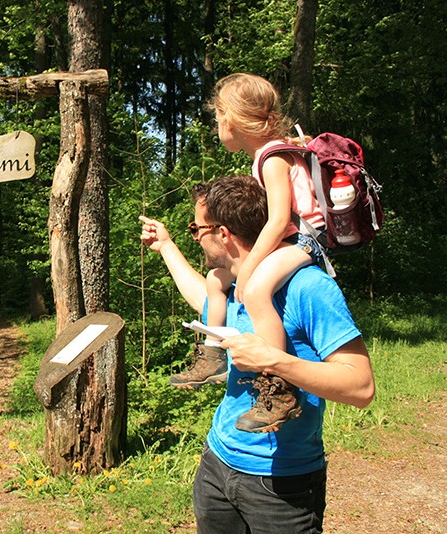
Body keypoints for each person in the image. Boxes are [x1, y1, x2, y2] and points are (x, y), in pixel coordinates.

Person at [139, 175, 374, 533]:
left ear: (223, 234)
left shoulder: (307, 288)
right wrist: (168, 246)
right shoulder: (233, 285)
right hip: (217, 464)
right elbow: (202, 298)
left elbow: (361, 387)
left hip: (281, 485)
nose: (195, 237)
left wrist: (274, 360)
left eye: (196, 229)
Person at [170, 73, 327, 434]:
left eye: (217, 118)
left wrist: (252, 264)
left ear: (231, 118)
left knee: (254, 291)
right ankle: (212, 353)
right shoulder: (269, 154)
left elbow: (278, 221)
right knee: (215, 278)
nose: (216, 127)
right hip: (290, 239)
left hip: (305, 240)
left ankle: (280, 387)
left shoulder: (271, 158)